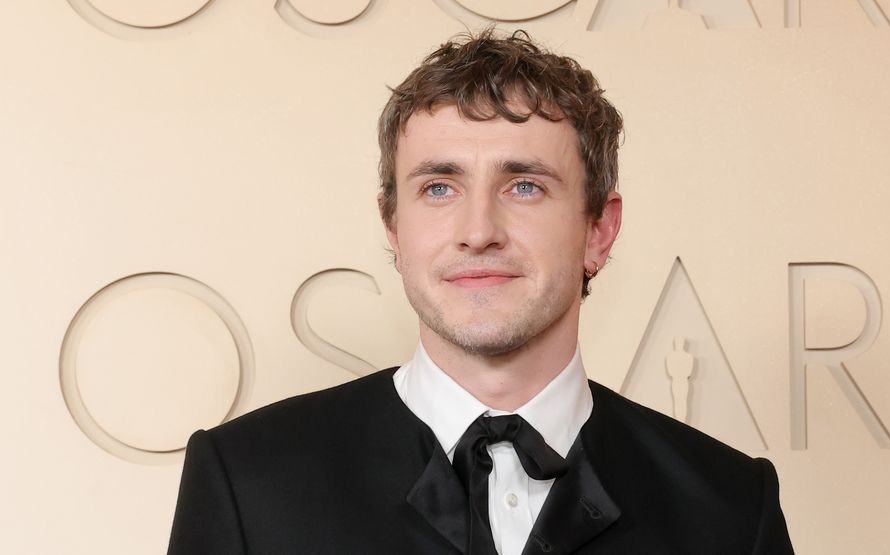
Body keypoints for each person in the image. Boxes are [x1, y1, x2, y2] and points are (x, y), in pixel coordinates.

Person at [168, 29, 794, 554]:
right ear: (394, 226)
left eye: (524, 186)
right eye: (440, 187)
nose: (477, 232)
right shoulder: (246, 480)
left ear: (598, 230)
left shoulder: (734, 508)